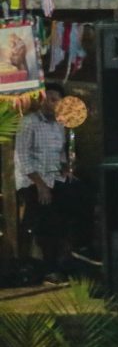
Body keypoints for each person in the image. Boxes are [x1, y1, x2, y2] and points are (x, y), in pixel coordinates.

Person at [14, 83, 87, 283]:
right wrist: (40, 185)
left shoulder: (61, 124)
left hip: (55, 177)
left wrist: (66, 167)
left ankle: (73, 261)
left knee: (78, 203)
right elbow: (22, 157)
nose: (51, 103)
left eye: (56, 100)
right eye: (49, 98)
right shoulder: (28, 123)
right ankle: (48, 268)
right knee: (47, 220)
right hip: (33, 180)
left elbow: (62, 153)